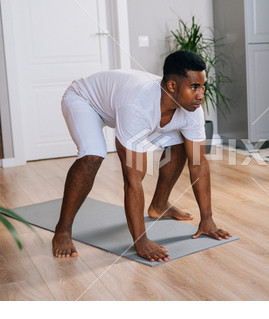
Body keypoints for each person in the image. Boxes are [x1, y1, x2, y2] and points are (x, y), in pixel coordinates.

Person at [52, 50, 231, 262]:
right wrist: (141, 240)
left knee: (184, 145)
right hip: (85, 100)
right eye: (194, 87)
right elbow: (133, 180)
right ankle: (62, 230)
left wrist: (207, 219)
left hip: (120, 102)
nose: (201, 95)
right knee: (94, 155)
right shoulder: (138, 106)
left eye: (203, 87)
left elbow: (198, 164)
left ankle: (159, 205)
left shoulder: (192, 109)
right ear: (172, 86)